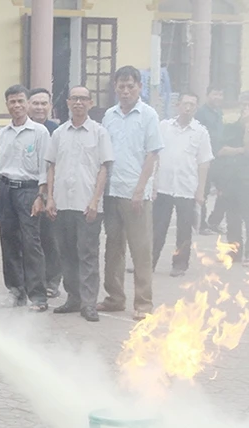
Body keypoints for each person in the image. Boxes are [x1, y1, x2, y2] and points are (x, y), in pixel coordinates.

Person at [45, 86, 114, 322]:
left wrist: (95, 200)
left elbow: (104, 168)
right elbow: (51, 166)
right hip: (62, 203)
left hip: (87, 205)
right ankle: (73, 298)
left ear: (90, 103)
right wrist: (50, 197)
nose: (78, 103)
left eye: (83, 99)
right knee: (66, 254)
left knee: (88, 255)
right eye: (74, 98)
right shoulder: (59, 133)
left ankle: (88, 303)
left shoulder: (99, 133)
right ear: (67, 102)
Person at [100, 66, 163, 321]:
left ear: (139, 87)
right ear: (115, 87)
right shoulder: (109, 115)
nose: (125, 91)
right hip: (112, 190)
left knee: (140, 249)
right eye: (121, 86)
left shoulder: (148, 115)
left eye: (130, 86)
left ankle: (144, 303)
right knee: (113, 247)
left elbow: (152, 154)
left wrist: (140, 189)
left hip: (136, 194)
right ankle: (115, 298)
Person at [0, 85, 50, 312]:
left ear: (27, 103)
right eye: (12, 102)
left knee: (31, 243)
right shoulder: (2, 134)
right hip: (6, 191)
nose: (17, 106)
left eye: (20, 101)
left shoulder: (39, 132)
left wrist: (41, 196)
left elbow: (45, 169)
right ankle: (16, 292)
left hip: (29, 192)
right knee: (9, 242)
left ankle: (38, 296)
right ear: (7, 105)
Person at [152, 92, 214, 277]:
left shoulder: (201, 132)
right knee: (157, 227)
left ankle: (180, 264)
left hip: (186, 188)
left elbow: (204, 162)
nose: (188, 108)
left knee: (184, 229)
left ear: (196, 108)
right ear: (177, 105)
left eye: (192, 105)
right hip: (163, 186)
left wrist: (200, 191)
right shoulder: (164, 127)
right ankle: (149, 262)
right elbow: (154, 155)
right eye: (185, 104)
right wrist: (152, 183)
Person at [221, 90, 249, 267]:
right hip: (231, 178)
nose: (246, 108)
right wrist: (241, 151)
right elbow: (221, 150)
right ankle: (234, 252)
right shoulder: (230, 127)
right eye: (243, 104)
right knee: (232, 218)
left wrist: (248, 126)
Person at [29, 87, 62, 298]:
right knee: (31, 238)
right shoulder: (23, 128)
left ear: (50, 106)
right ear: (28, 105)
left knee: (51, 238)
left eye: (44, 103)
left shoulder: (57, 131)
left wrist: (49, 194)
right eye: (36, 103)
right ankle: (33, 280)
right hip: (27, 188)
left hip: (52, 191)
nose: (40, 107)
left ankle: (52, 281)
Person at [196, 85, 226, 235]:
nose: (218, 97)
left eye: (220, 94)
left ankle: (214, 221)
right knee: (204, 191)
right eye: (215, 94)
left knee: (225, 190)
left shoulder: (219, 112)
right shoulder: (201, 113)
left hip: (219, 159)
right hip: (206, 159)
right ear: (208, 95)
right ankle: (201, 225)